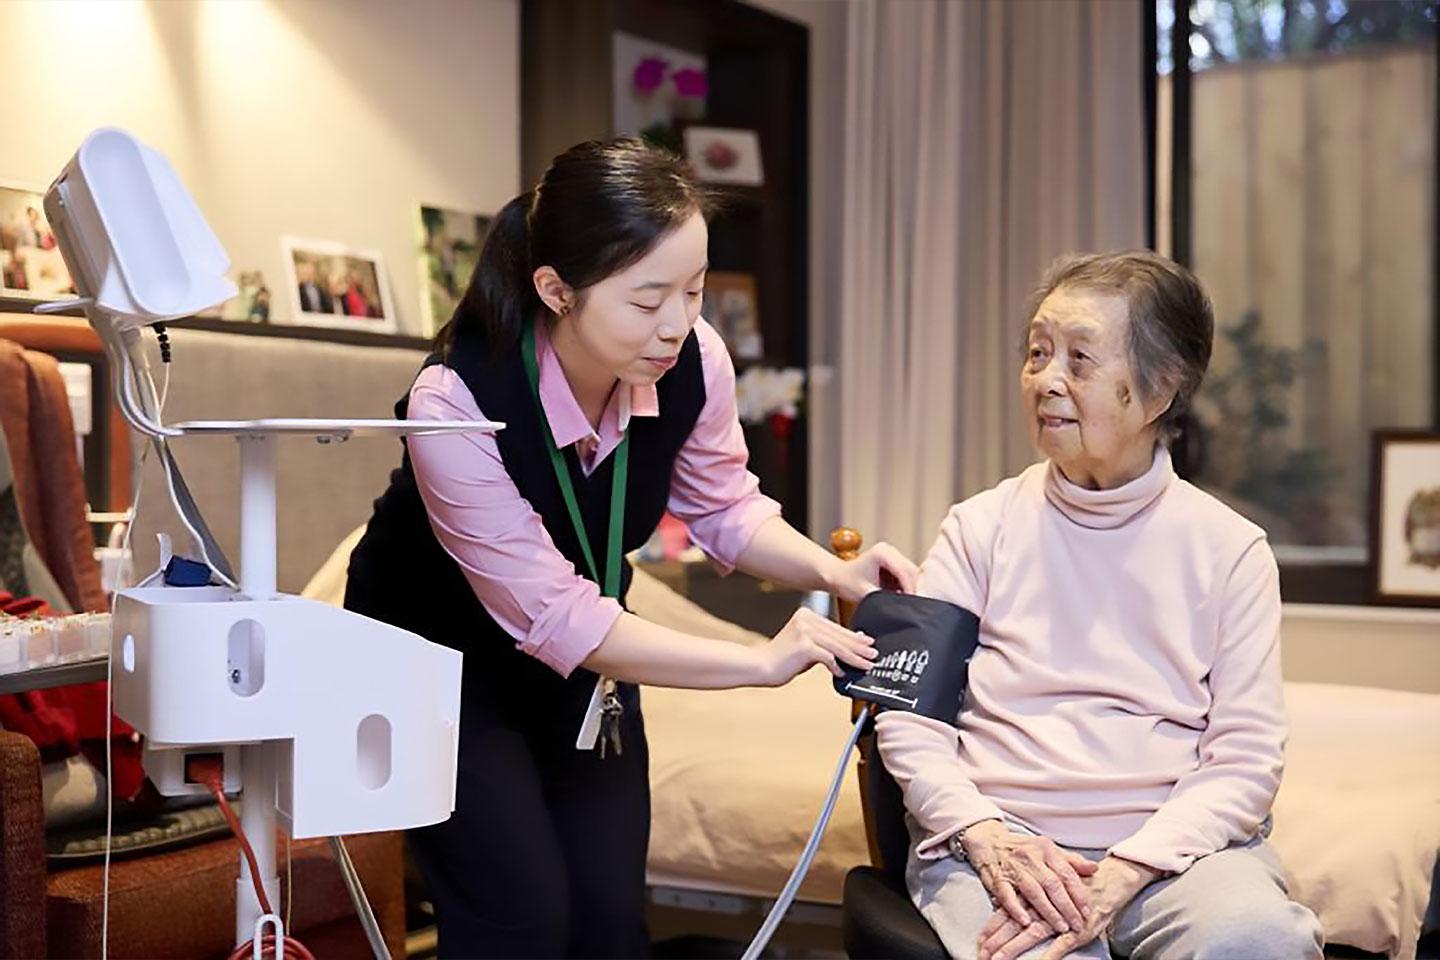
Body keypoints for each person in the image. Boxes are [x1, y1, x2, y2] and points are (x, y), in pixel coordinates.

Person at [344, 138, 916, 959]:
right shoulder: (455, 403)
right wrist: (758, 663)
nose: (679, 323)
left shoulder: (695, 360)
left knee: (610, 923)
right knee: (521, 923)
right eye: (649, 300)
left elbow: (724, 506)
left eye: (694, 289)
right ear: (556, 290)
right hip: (439, 665)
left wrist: (833, 570)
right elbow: (556, 615)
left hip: (583, 662)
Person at [878, 252, 1324, 960]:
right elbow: (910, 718)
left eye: (1079, 360)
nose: (1046, 381)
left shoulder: (1230, 549)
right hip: (1001, 854)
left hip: (1172, 859)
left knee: (1256, 938)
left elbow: (1245, 759)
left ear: (1158, 392)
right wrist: (985, 834)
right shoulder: (978, 527)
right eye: (1037, 353)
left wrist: (1132, 866)